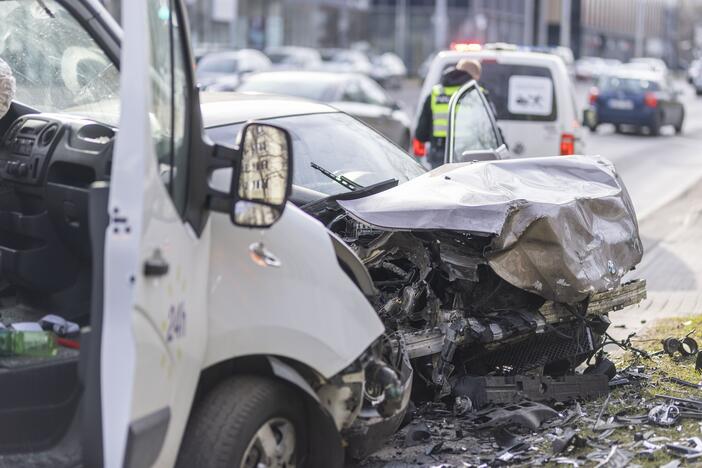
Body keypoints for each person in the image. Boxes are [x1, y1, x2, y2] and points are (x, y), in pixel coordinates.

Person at [415, 58, 482, 168]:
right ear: (475, 76)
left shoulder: (436, 93)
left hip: (438, 152)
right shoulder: (476, 94)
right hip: (468, 153)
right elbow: (486, 127)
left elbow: (421, 133)